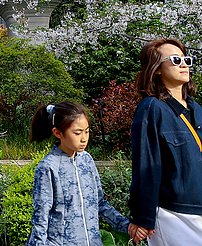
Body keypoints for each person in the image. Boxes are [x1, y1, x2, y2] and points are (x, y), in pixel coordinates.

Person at [130, 39, 202, 246]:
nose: (184, 64)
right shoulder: (151, 107)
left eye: (186, 59)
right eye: (175, 60)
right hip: (170, 211)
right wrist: (142, 216)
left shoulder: (196, 109)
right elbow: (145, 165)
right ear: (156, 69)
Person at [26, 101, 140, 246]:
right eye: (77, 133)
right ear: (58, 133)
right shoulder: (48, 167)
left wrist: (129, 228)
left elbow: (100, 204)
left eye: (87, 131)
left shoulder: (87, 160)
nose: (84, 138)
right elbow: (40, 218)